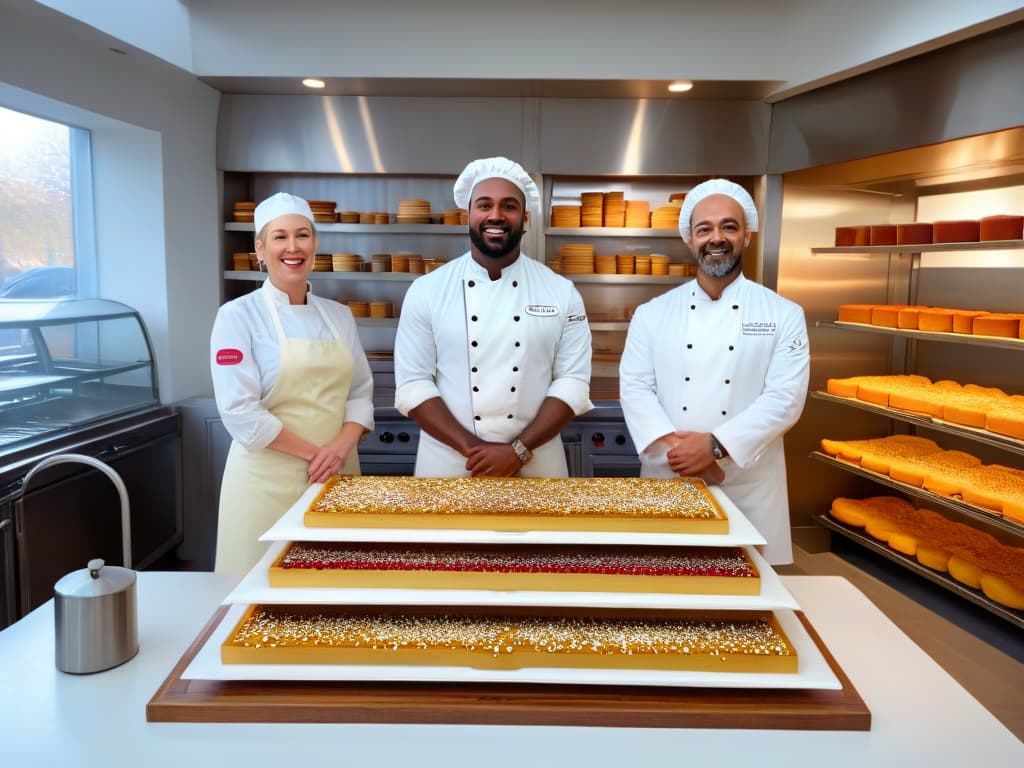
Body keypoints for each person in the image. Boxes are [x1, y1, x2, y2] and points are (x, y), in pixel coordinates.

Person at [619, 179, 809, 564]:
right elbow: (636, 388)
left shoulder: (784, 314)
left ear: (747, 236)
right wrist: (685, 453)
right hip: (671, 475)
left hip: (749, 485)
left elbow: (784, 399)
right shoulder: (652, 313)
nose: (716, 238)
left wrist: (715, 447)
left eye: (729, 226)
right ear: (689, 238)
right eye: (704, 228)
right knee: (665, 591)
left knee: (747, 597)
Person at [394, 156, 592, 478]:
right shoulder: (426, 290)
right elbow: (413, 383)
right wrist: (476, 452)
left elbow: (573, 382)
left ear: (524, 217)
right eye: (484, 205)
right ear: (466, 215)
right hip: (450, 465)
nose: (496, 215)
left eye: (509, 206)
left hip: (536, 464)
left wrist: (517, 451)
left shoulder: (561, 292)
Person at [210, 192, 374, 574]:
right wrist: (318, 455)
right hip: (265, 483)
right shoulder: (237, 317)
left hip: (338, 478)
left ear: (315, 245)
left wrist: (340, 448)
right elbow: (239, 411)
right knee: (260, 592)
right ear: (260, 249)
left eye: (302, 235)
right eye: (280, 237)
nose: (293, 247)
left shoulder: (340, 316)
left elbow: (361, 391)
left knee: (336, 592)